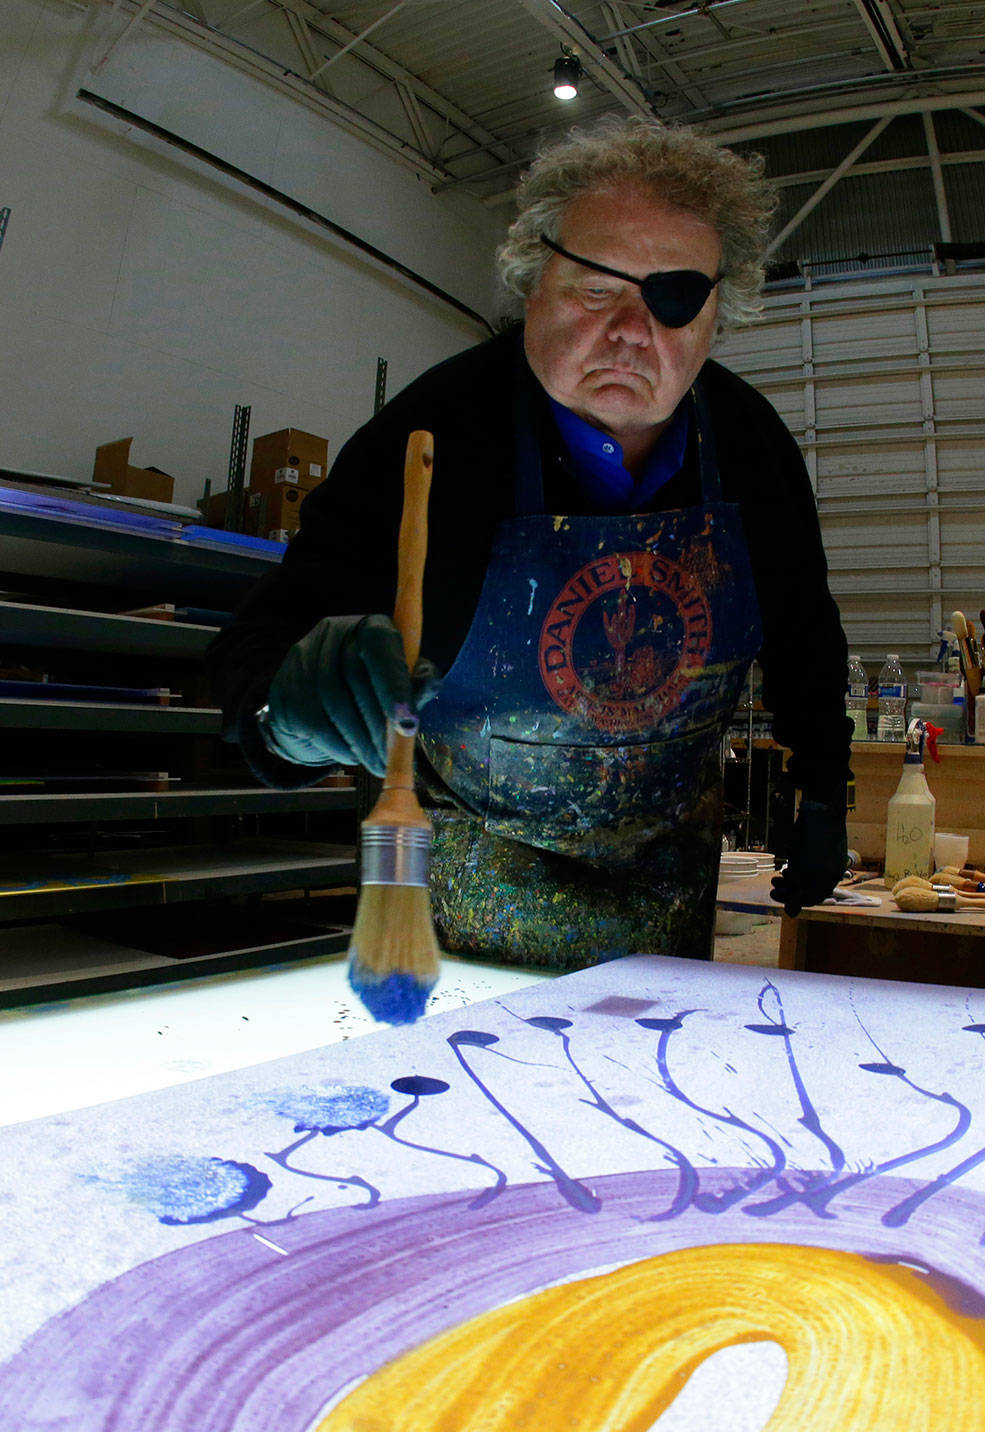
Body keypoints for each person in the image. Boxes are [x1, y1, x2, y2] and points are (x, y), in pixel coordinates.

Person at [208, 121, 852, 968]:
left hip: (663, 897)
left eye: (674, 298)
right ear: (530, 281)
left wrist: (822, 786)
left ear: (716, 314)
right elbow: (255, 648)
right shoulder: (431, 437)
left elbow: (805, 628)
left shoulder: (751, 446)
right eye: (595, 290)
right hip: (452, 904)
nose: (631, 330)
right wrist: (283, 714)